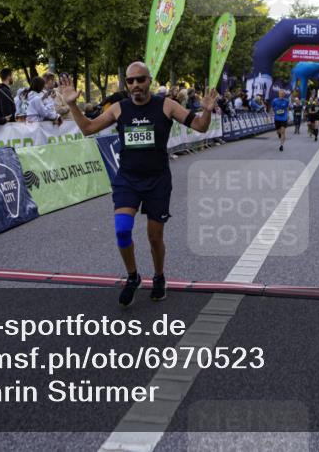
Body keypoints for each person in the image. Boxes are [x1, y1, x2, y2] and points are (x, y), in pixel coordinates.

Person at [59, 63, 217, 307]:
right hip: (128, 179)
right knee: (122, 229)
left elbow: (201, 126)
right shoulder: (119, 109)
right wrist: (71, 104)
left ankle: (159, 276)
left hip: (158, 180)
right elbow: (88, 129)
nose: (135, 85)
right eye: (130, 81)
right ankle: (132, 277)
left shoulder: (166, 105)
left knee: (154, 237)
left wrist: (206, 111)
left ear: (149, 81)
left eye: (140, 80)